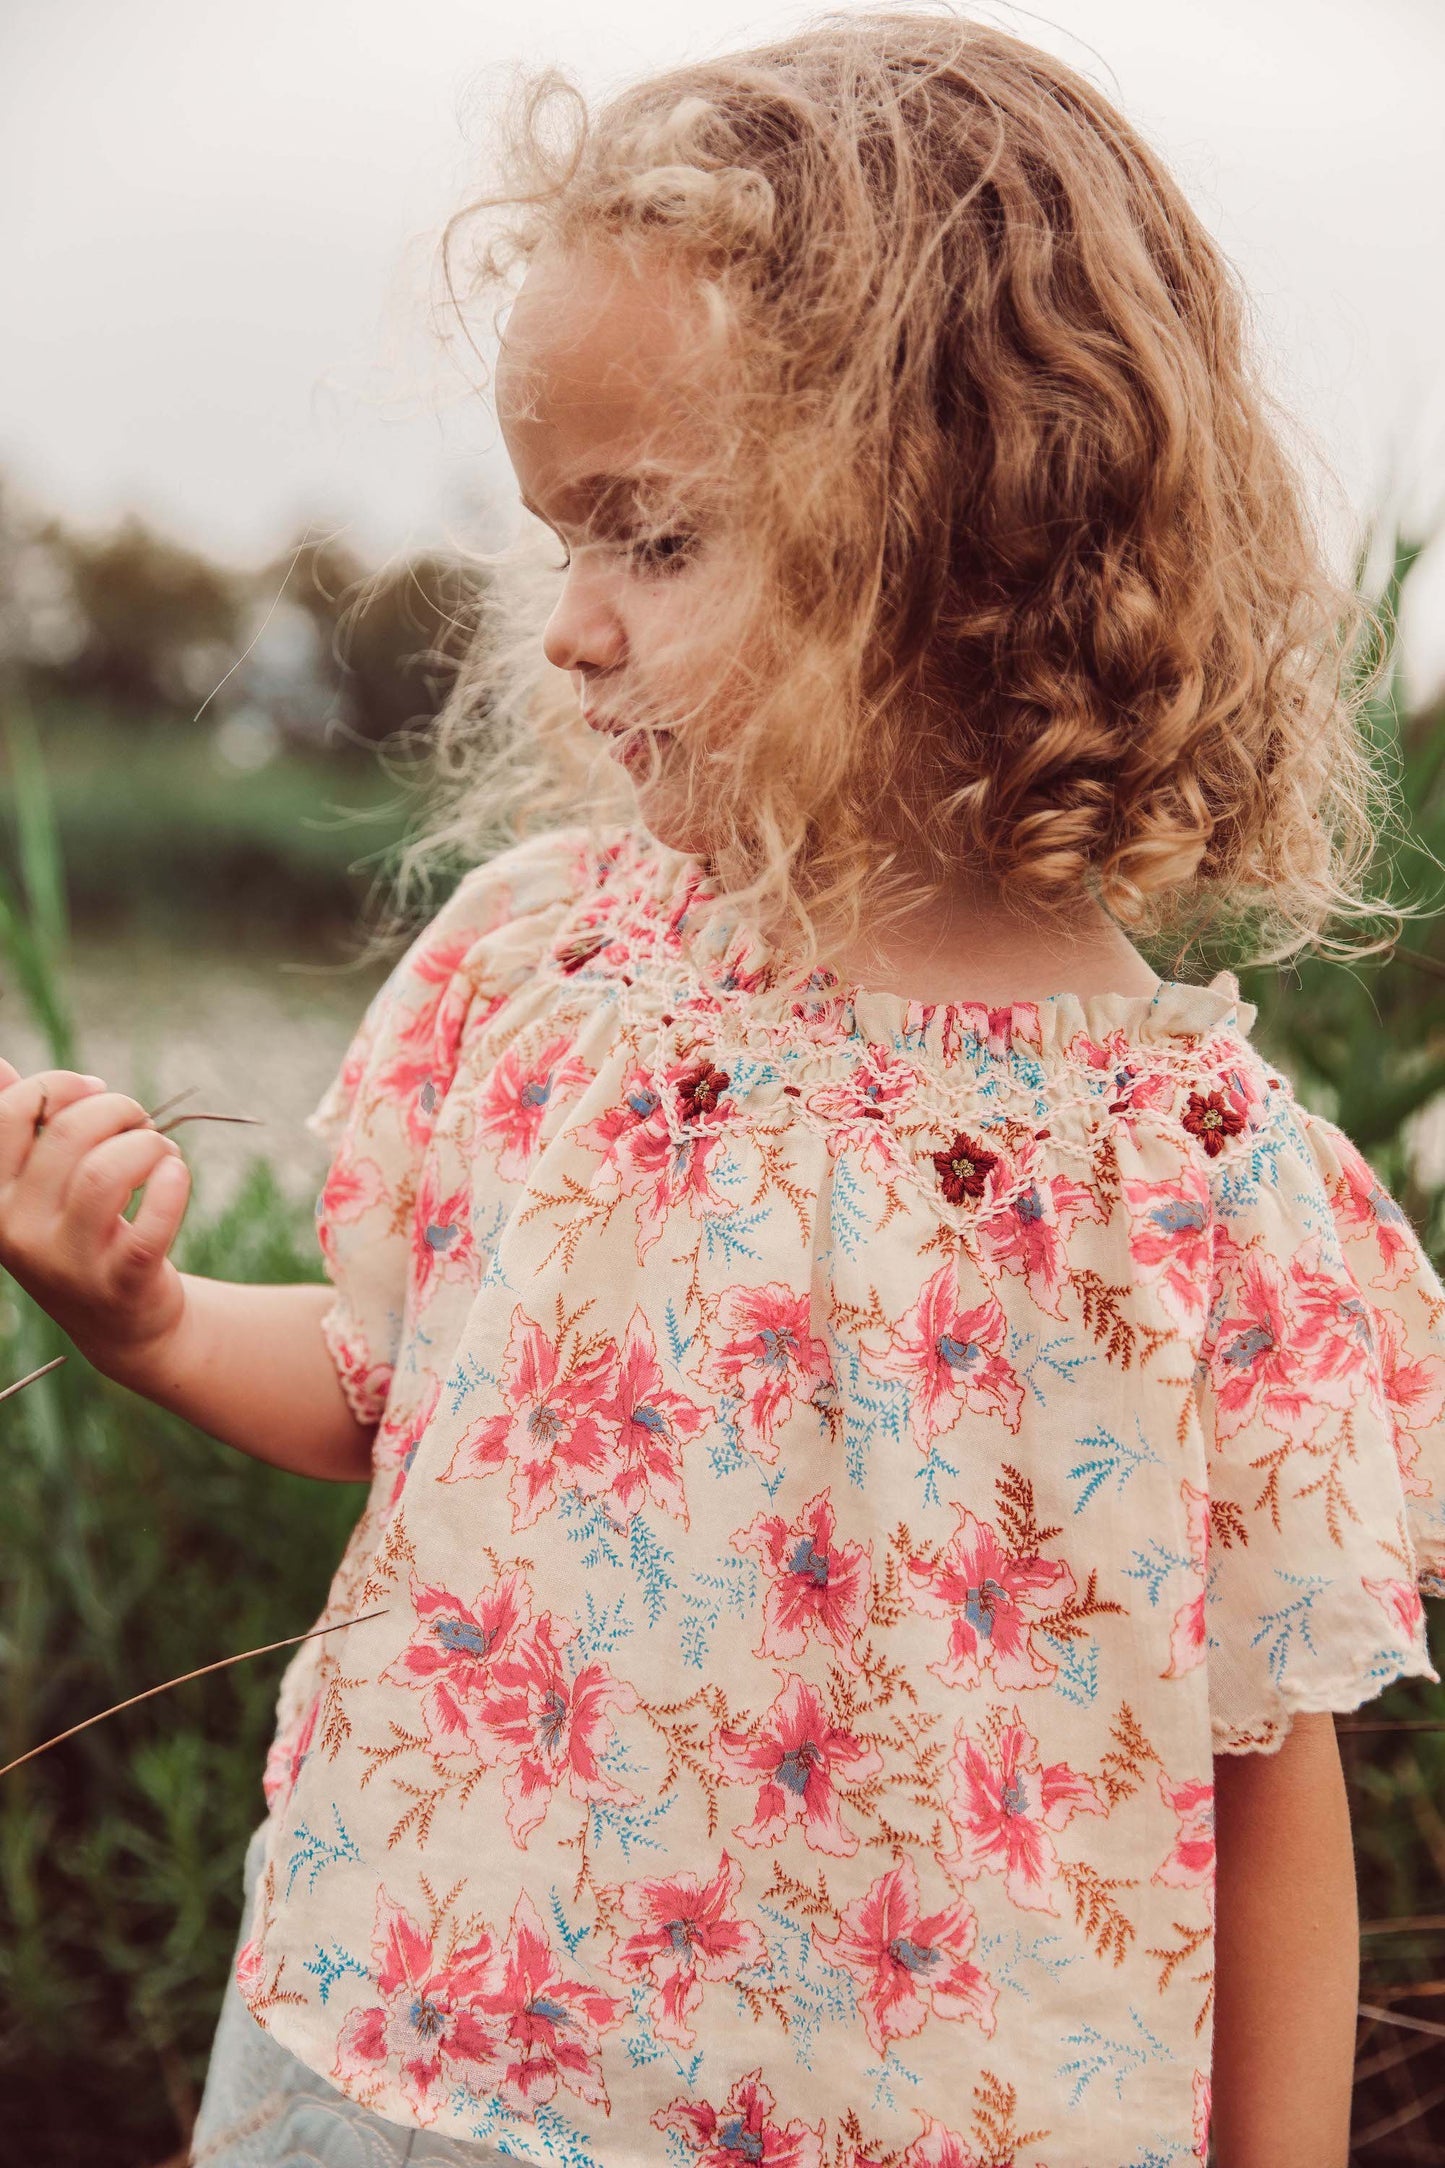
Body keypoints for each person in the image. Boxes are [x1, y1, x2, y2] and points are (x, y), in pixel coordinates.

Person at [2, 12, 1442, 2166]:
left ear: (974, 547)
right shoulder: (555, 973)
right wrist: (148, 1320)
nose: (566, 626)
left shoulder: (1200, 1185)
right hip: (422, 2061)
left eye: (651, 539)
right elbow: (402, 1390)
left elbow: (1266, 1786)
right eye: (558, 536)